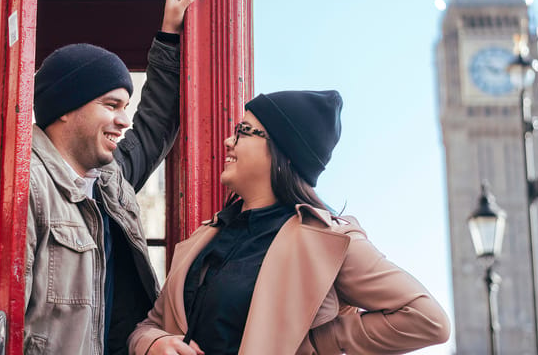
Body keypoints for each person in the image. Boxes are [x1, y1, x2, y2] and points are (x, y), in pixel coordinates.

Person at [128, 90, 451, 355]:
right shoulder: (205, 236)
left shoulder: (329, 240)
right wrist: (152, 343)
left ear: (282, 152)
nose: (228, 141)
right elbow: (148, 325)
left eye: (242, 131)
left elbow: (428, 320)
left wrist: (317, 341)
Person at [24, 0, 198, 355]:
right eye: (111, 105)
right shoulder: (25, 188)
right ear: (66, 109)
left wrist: (170, 35)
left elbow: (156, 124)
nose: (123, 120)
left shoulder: (109, 180)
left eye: (126, 106)